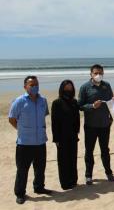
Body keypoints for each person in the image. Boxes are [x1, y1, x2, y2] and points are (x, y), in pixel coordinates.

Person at [8, 76, 52, 205]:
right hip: (24, 143)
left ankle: (39, 187)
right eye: (31, 85)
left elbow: (43, 116)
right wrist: (21, 130)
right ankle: (20, 193)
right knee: (22, 170)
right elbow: (12, 119)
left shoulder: (43, 100)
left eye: (36, 84)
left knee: (40, 168)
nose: (34, 87)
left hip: (40, 141)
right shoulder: (19, 101)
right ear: (25, 86)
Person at [78, 64, 114, 185]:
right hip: (90, 126)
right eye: (95, 73)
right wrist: (92, 106)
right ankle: (88, 175)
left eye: (100, 73)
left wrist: (111, 115)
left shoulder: (107, 85)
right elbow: (80, 106)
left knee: (105, 150)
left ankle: (109, 172)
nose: (98, 75)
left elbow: (110, 102)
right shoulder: (85, 87)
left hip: (105, 125)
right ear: (91, 74)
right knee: (89, 151)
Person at [51, 80, 80, 190]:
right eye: (66, 88)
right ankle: (65, 183)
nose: (68, 90)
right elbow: (54, 122)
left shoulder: (74, 102)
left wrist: (77, 131)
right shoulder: (57, 103)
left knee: (73, 158)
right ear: (62, 89)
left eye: (70, 88)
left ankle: (73, 180)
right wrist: (56, 138)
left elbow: (77, 118)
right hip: (61, 136)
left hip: (73, 136)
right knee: (63, 160)